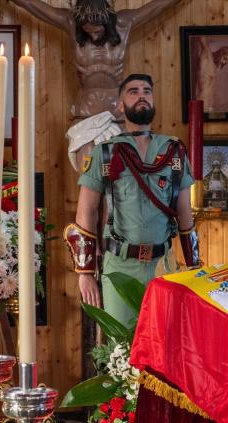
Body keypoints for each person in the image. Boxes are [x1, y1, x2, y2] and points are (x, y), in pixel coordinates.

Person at [63, 74, 201, 326]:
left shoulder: (174, 151)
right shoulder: (105, 153)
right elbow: (86, 212)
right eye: (133, 91)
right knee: (120, 350)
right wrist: (85, 273)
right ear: (120, 105)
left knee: (163, 348)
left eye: (147, 91)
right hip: (120, 266)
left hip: (163, 265)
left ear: (153, 100)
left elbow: (184, 214)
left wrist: (194, 266)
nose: (141, 96)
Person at [9, 0, 184, 171]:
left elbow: (160, 5)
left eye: (98, 30)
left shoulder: (124, 23)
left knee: (121, 184)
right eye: (88, 30)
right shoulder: (71, 23)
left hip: (119, 117)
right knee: (88, 181)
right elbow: (30, 4)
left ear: (107, 20)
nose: (93, 35)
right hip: (86, 116)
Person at [194, 37, 228, 113]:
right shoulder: (207, 53)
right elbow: (201, 37)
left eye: (226, 61)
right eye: (224, 58)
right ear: (220, 53)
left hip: (209, 107)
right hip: (201, 103)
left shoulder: (214, 66)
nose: (223, 63)